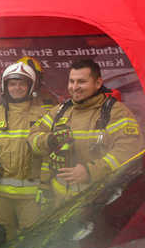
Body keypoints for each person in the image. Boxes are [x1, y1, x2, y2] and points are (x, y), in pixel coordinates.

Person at [28, 59, 145, 207]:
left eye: (81, 82)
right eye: (71, 81)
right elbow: (32, 136)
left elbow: (130, 152)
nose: (75, 87)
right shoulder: (60, 111)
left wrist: (90, 172)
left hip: (98, 203)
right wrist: (50, 140)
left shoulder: (116, 112)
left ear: (98, 83)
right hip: (59, 205)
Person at [0, 61, 45, 248]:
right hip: (0, 197)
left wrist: (46, 186)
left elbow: (52, 154)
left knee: (30, 244)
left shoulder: (44, 115)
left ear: (31, 87)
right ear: (5, 87)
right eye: (12, 84)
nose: (17, 88)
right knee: (0, 240)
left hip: (31, 197)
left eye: (22, 83)